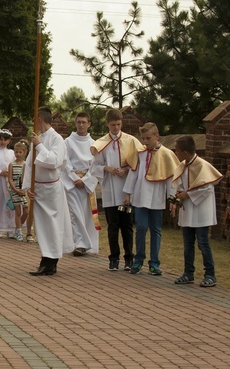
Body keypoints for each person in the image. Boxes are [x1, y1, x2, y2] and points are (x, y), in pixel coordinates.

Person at [91, 108, 144, 271]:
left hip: (125, 189)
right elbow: (94, 167)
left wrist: (127, 170)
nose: (116, 128)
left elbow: (138, 163)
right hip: (109, 189)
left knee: (127, 225)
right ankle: (113, 258)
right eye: (113, 125)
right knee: (113, 225)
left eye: (119, 124)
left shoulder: (130, 141)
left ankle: (129, 257)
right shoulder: (102, 143)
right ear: (107, 124)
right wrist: (106, 169)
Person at [123, 123, 180, 275]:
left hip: (157, 197)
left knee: (156, 230)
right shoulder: (140, 153)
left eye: (148, 138)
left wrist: (172, 198)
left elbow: (170, 178)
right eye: (143, 139)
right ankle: (138, 259)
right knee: (141, 227)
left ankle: (154, 263)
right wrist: (128, 193)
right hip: (141, 196)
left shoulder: (166, 154)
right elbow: (133, 174)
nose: (146, 142)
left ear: (157, 136)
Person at [23, 107, 73, 276]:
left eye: (34, 119)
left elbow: (54, 161)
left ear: (39, 119)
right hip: (38, 188)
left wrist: (40, 146)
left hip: (52, 188)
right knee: (42, 226)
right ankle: (46, 258)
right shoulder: (37, 139)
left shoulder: (57, 139)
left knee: (52, 225)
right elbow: (30, 164)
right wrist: (27, 187)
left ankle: (51, 262)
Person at [172, 135, 223, 288]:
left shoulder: (202, 165)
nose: (176, 153)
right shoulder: (183, 165)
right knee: (188, 244)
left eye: (177, 150)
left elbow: (207, 186)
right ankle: (188, 272)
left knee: (203, 243)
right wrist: (179, 193)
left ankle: (210, 274)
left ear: (185, 152)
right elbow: (181, 183)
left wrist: (188, 194)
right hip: (188, 210)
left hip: (200, 211)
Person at [61, 113, 100, 257]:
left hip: (86, 184)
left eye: (84, 122)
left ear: (89, 124)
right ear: (75, 123)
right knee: (74, 214)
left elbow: (95, 164)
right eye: (79, 122)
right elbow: (65, 161)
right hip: (72, 182)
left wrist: (85, 180)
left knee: (87, 215)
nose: (81, 125)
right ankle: (79, 244)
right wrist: (73, 177)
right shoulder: (68, 142)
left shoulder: (94, 144)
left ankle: (88, 244)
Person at [7, 140, 30, 242]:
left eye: (20, 152)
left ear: (24, 153)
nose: (18, 154)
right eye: (16, 152)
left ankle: (17, 228)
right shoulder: (11, 164)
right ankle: (19, 232)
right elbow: (10, 178)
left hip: (23, 190)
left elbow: (25, 178)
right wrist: (15, 189)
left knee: (26, 210)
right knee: (18, 211)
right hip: (14, 190)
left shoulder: (26, 165)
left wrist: (23, 190)